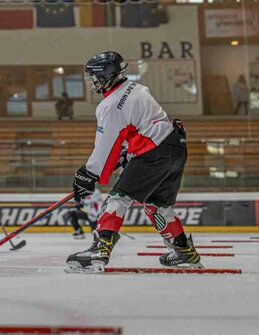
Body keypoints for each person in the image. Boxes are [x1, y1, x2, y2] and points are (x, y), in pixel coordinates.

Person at [67, 51, 203, 273]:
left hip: (154, 150)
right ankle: (183, 251)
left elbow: (106, 144)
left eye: (94, 76)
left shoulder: (110, 104)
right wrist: (126, 152)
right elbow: (136, 127)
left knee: (118, 198)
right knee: (158, 205)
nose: (91, 82)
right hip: (175, 146)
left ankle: (100, 249)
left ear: (106, 75)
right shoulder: (135, 88)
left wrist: (88, 174)